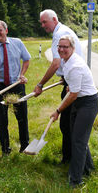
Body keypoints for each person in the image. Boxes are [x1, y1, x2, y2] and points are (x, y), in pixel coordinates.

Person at [34, 9, 83, 164]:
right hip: (69, 79)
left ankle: (70, 160)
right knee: (68, 123)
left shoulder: (59, 34)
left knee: (68, 124)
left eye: (44, 22)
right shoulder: (64, 30)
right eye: (41, 22)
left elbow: (56, 63)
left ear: (54, 19)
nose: (42, 25)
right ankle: (70, 158)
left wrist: (40, 84)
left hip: (73, 83)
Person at [50, 35, 98, 188]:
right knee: (78, 137)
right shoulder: (67, 61)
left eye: (65, 47)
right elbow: (72, 89)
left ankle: (75, 180)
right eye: (60, 46)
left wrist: (58, 110)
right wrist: (70, 84)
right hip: (79, 101)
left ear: (72, 48)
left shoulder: (74, 66)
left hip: (88, 103)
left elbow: (72, 95)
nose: (61, 49)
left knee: (78, 141)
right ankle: (88, 169)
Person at [0, 20, 31, 155]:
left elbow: (26, 59)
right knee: (1, 119)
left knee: (22, 116)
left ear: (6, 30)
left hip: (16, 84)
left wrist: (22, 75)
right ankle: (5, 149)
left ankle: (25, 146)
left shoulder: (17, 43)